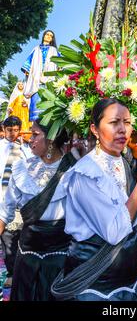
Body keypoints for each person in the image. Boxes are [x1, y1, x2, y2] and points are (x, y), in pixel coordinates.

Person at [51, 98, 137, 301]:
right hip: (96, 284)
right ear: (94, 129)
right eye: (114, 122)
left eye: (127, 122)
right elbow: (115, 231)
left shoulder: (125, 164)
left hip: (130, 278)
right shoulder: (85, 174)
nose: (122, 130)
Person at [0, 118, 77, 300]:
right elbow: (4, 212)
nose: (30, 139)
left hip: (61, 258)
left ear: (51, 139)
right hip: (27, 255)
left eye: (35, 135)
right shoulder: (22, 168)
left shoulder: (74, 170)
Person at [0, 116, 32, 289]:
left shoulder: (26, 148)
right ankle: (12, 272)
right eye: (9, 130)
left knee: (22, 238)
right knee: (7, 239)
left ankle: (23, 271)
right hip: (4, 196)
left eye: (15, 130)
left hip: (23, 198)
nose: (12, 133)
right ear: (4, 130)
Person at [21, 30, 59, 122]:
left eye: (51, 35)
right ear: (44, 36)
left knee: (47, 101)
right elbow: (28, 63)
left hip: (48, 81)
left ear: (52, 39)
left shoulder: (54, 50)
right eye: (47, 34)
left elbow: (59, 63)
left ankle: (45, 126)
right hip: (36, 81)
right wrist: (28, 73)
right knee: (35, 102)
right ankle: (34, 125)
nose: (49, 36)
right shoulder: (36, 49)